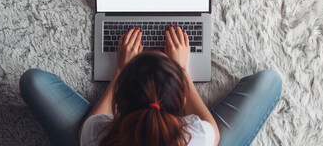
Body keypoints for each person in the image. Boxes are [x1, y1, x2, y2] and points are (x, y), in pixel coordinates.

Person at [20, 25, 282, 146]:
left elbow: (91, 125)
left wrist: (121, 69)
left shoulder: (98, 135)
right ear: (180, 107)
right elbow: (212, 133)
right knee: (271, 81)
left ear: (119, 104)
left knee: (33, 81)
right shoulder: (195, 136)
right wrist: (181, 71)